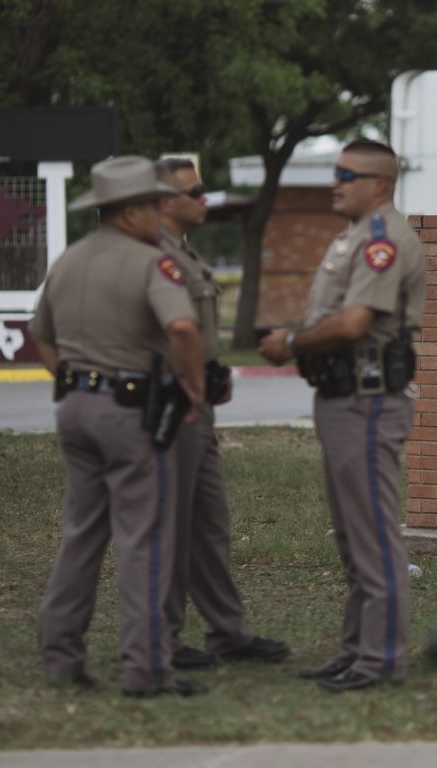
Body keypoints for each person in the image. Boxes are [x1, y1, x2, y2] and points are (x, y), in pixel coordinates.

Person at [30, 155, 208, 697]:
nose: (163, 210)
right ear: (129, 212)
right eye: (155, 203)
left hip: (75, 408)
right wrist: (194, 387)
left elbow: (37, 331)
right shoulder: (151, 263)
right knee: (144, 541)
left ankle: (61, 657)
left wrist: (75, 376)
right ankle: (148, 670)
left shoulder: (70, 260)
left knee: (82, 536)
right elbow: (180, 325)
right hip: (131, 414)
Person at [259, 139, 426, 693]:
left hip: (369, 401)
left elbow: (354, 323)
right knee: (353, 534)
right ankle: (356, 649)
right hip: (343, 398)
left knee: (373, 533)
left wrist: (292, 342)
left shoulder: (384, 241)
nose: (335, 182)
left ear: (378, 184)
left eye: (345, 174)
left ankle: (380, 660)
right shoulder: (354, 237)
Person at [154, 157, 290, 669]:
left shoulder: (184, 253)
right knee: (171, 526)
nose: (205, 198)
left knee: (209, 523)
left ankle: (228, 632)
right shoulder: (154, 255)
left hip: (201, 403)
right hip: (174, 405)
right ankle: (162, 641)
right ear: (165, 202)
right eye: (196, 191)